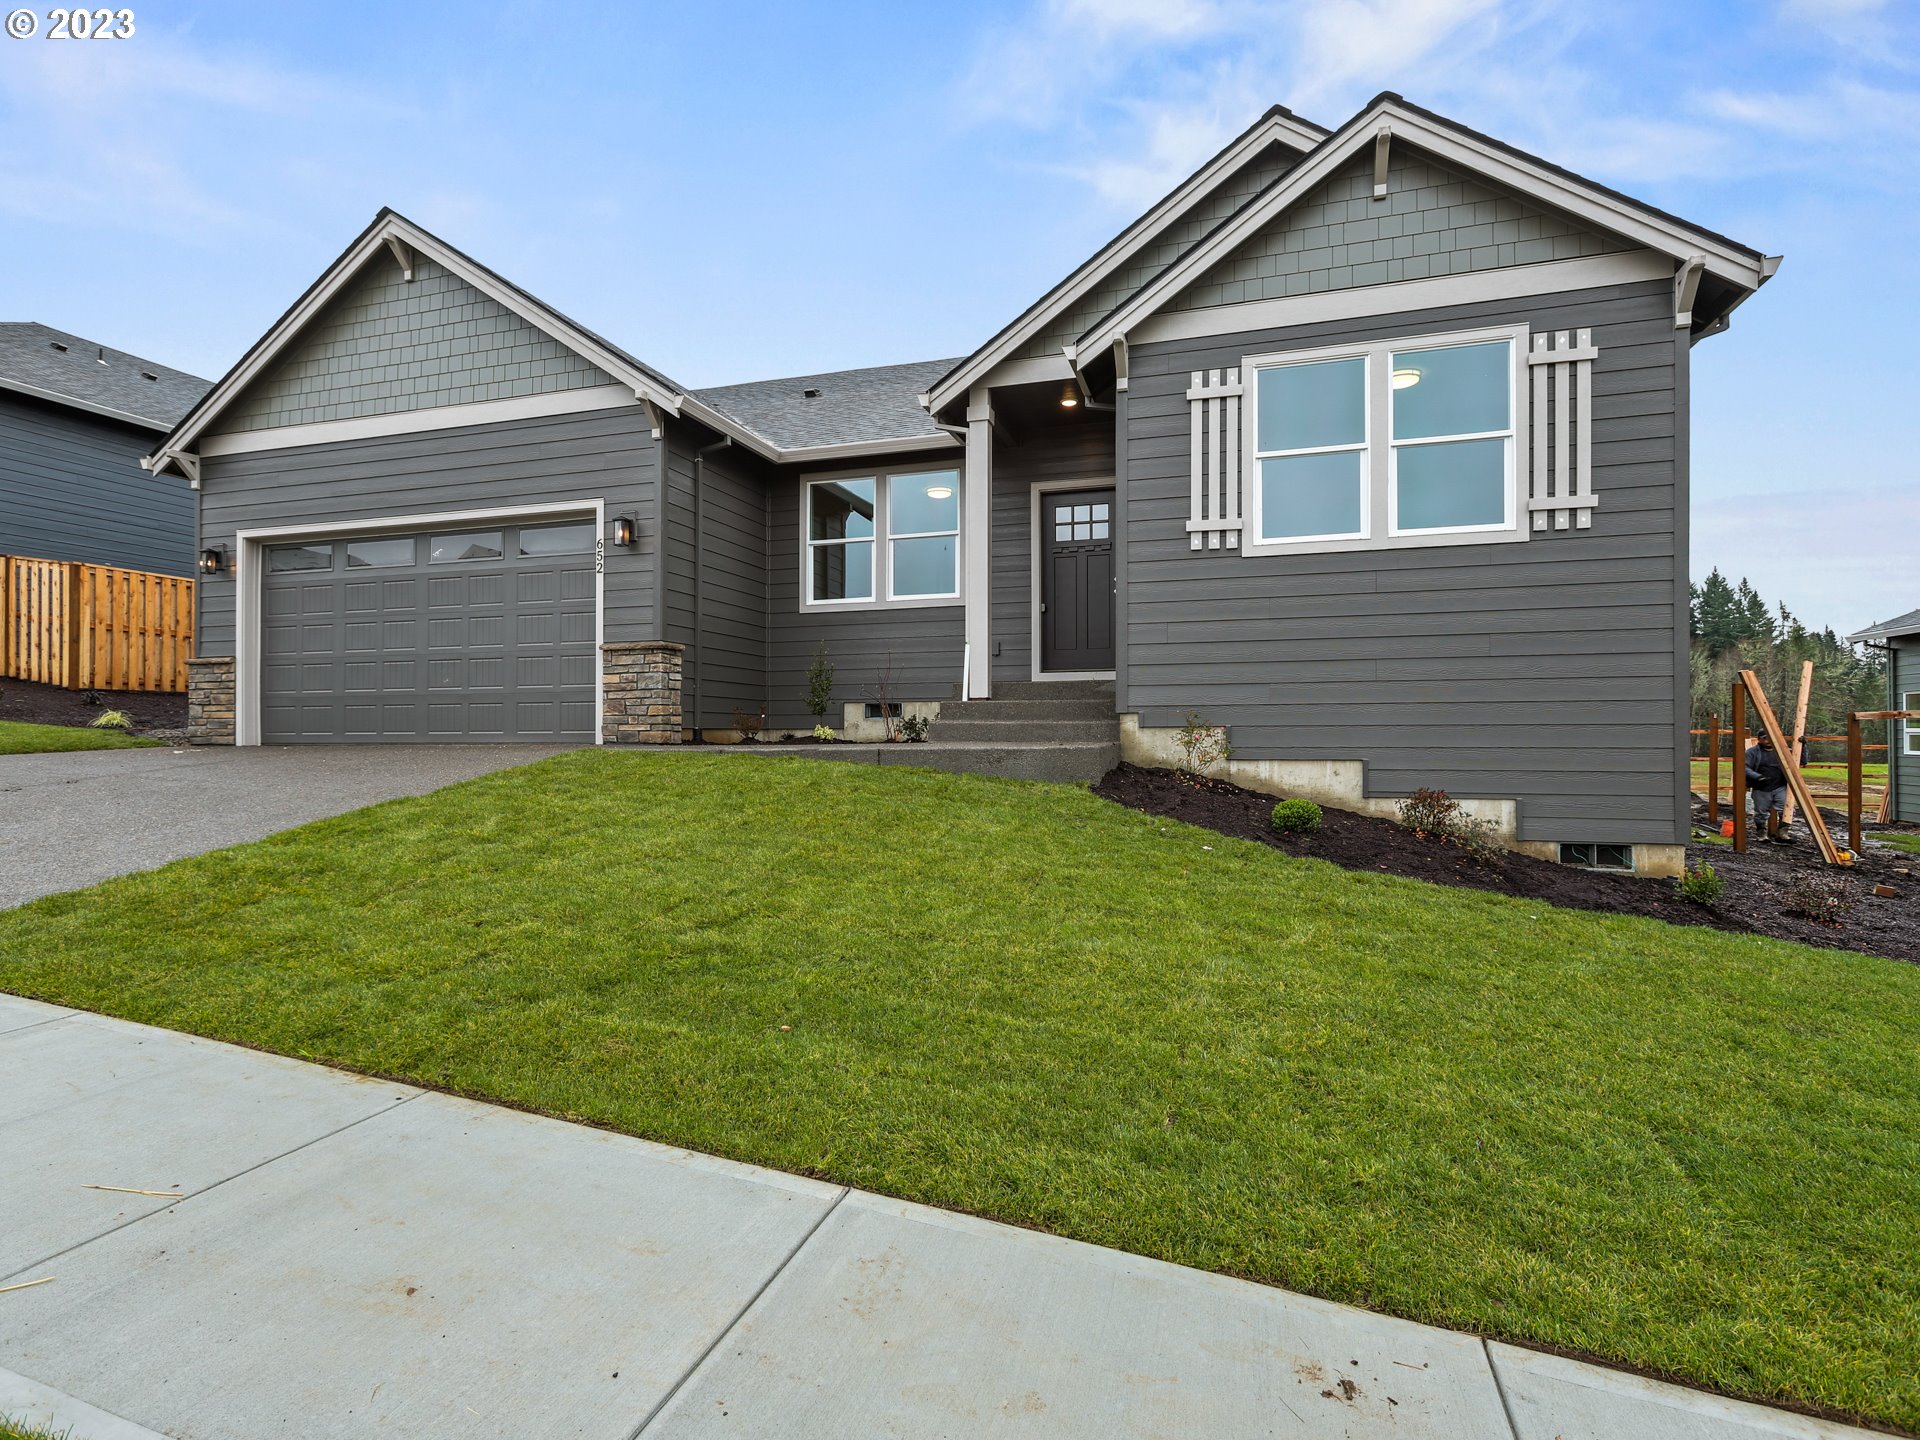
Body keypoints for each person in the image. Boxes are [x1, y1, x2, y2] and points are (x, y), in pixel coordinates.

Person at [1745, 732, 1791, 843]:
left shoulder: (1782, 751)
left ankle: (1782, 834)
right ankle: (1762, 834)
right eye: (1765, 738)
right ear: (1759, 739)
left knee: (1786, 810)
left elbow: (1801, 761)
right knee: (1761, 812)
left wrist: (1803, 746)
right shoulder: (1752, 752)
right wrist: (1758, 777)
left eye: (1770, 738)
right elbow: (1744, 767)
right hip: (1761, 788)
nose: (1768, 740)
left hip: (1780, 786)